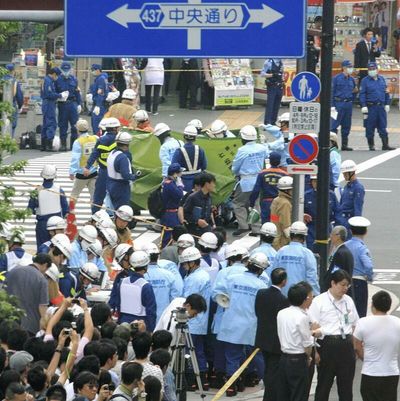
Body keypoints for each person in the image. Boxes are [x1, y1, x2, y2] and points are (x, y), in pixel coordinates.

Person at [214, 253, 269, 396]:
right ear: (260, 270)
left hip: (231, 324)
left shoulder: (232, 279)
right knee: (257, 356)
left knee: (232, 356)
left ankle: (231, 387)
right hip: (251, 326)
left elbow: (216, 295)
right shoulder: (261, 285)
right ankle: (269, 384)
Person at [309, 269, 359, 401]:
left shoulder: (348, 301)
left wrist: (354, 346)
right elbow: (312, 329)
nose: (345, 288)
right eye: (342, 284)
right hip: (327, 345)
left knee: (346, 387)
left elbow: (355, 324)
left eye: (347, 285)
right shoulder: (319, 301)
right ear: (333, 283)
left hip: (346, 346)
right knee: (324, 385)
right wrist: (315, 352)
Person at [353, 290, 400, 401]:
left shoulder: (363, 322)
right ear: (389, 306)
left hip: (371, 371)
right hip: (391, 372)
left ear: (373, 305)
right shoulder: (398, 322)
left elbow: (356, 346)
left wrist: (366, 358)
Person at [276, 282, 314, 401]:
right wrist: (308, 357)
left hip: (283, 358)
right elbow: (307, 343)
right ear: (304, 299)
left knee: (284, 393)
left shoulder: (281, 313)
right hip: (297, 359)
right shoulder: (302, 317)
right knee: (299, 394)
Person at [255, 268, 289, 401]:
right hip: (276, 341)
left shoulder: (261, 293)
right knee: (273, 371)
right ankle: (270, 397)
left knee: (268, 368)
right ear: (284, 281)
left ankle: (268, 396)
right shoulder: (283, 300)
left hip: (262, 337)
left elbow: (257, 312)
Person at [180, 247, 211, 389]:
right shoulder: (201, 275)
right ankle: (202, 379)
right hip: (200, 321)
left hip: (193, 320)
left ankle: (192, 379)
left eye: (186, 263)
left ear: (193, 263)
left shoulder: (194, 278)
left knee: (189, 351)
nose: (184, 265)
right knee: (198, 350)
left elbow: (188, 302)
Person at [232, 125, 268, 236]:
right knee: (256, 204)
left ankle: (243, 226)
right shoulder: (262, 148)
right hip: (259, 180)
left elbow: (235, 167)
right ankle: (256, 228)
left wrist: (236, 173)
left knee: (238, 203)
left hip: (245, 181)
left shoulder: (242, 150)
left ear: (243, 138)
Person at [5, 253, 52, 335]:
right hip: (30, 327)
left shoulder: (13, 270)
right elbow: (42, 307)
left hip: (9, 322)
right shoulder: (41, 279)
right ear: (45, 265)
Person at [109, 251, 156, 330]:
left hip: (123, 323)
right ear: (146, 267)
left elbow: (117, 303)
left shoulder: (122, 282)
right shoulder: (146, 286)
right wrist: (151, 329)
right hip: (141, 325)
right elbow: (151, 311)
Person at [272, 221, 320, 296]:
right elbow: (312, 278)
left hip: (281, 296)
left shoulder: (281, 251)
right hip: (300, 298)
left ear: (290, 235)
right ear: (304, 237)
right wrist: (315, 295)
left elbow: (274, 273)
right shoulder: (307, 254)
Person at [28, 165, 69, 250]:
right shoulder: (59, 190)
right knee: (57, 248)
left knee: (42, 248)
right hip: (57, 224)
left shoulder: (37, 191)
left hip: (42, 224)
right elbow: (65, 209)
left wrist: (36, 211)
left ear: (42, 176)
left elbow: (30, 209)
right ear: (54, 176)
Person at [84, 117, 120, 213]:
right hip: (116, 173)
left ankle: (94, 217)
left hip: (103, 172)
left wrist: (87, 167)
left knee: (98, 196)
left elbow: (94, 154)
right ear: (114, 128)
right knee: (117, 196)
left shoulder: (101, 140)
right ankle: (117, 217)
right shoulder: (119, 140)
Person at [142, 243, 182, 323]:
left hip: (145, 318)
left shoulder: (141, 276)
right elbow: (176, 295)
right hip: (164, 317)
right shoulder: (169, 275)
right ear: (158, 256)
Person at [360, 61, 395, 151]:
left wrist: (387, 103)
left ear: (377, 69)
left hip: (381, 107)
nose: (372, 71)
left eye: (373, 69)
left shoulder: (382, 79)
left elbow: (386, 92)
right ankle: (371, 145)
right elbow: (362, 94)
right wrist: (363, 105)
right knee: (369, 127)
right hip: (371, 107)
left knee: (383, 126)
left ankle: (385, 144)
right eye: (370, 69)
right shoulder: (365, 81)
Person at [345, 216, 373, 318]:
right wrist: (369, 277)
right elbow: (368, 266)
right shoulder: (362, 248)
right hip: (359, 282)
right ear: (365, 232)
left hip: (345, 281)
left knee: (347, 312)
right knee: (360, 312)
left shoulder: (344, 245)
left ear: (351, 231)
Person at [249, 151, 288, 223]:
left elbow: (256, 190)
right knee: (276, 222)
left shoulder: (262, 173)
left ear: (269, 161)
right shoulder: (284, 174)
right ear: (279, 162)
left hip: (266, 203)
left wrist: (251, 203)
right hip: (280, 203)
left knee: (265, 223)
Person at [304, 174, 339, 250]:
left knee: (326, 252)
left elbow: (337, 212)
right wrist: (303, 215)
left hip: (326, 227)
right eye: (314, 181)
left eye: (318, 181)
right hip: (311, 228)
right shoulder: (306, 195)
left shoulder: (330, 195)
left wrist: (337, 228)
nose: (316, 183)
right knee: (311, 252)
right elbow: (299, 211)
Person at [69, 119, 98, 205]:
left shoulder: (78, 142)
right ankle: (95, 214)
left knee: (74, 195)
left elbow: (75, 158)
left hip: (82, 173)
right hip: (93, 172)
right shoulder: (95, 138)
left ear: (78, 130)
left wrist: (72, 172)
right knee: (94, 196)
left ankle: (71, 214)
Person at [107, 131, 138, 210]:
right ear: (127, 145)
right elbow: (126, 175)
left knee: (116, 209)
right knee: (122, 210)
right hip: (121, 187)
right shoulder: (122, 158)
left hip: (111, 183)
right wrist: (135, 176)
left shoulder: (112, 153)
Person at [171, 125, 207, 192]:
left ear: (184, 136)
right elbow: (204, 166)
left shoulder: (179, 151)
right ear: (195, 137)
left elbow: (173, 168)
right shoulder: (200, 150)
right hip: (199, 182)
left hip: (183, 183)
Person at [331, 60, 357, 151]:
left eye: (351, 67)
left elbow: (354, 91)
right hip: (338, 104)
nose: (351, 69)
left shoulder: (352, 79)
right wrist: (332, 106)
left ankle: (345, 145)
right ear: (344, 68)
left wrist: (351, 100)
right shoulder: (336, 78)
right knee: (334, 126)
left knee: (347, 125)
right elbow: (332, 92)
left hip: (348, 104)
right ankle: (333, 145)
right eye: (349, 67)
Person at [55, 62, 81, 151]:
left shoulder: (74, 79)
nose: (66, 72)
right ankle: (63, 145)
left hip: (72, 103)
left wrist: (79, 104)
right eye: (64, 70)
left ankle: (73, 145)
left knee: (75, 126)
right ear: (61, 70)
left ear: (70, 70)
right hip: (62, 105)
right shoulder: (57, 80)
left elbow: (77, 92)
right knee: (63, 125)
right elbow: (55, 93)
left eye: (68, 70)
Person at [160, 163, 185, 247]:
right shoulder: (169, 184)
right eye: (179, 172)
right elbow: (179, 195)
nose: (181, 174)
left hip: (169, 213)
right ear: (175, 174)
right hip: (170, 214)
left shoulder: (166, 182)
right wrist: (180, 185)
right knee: (168, 237)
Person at [41, 67, 65, 152]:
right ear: (54, 74)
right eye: (57, 75)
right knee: (51, 123)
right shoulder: (48, 81)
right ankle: (49, 145)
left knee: (46, 123)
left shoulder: (47, 80)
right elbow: (49, 94)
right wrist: (60, 95)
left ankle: (43, 145)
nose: (57, 77)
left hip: (47, 103)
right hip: (49, 103)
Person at [324, 225, 354, 292]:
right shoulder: (344, 251)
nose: (330, 236)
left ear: (338, 236)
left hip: (338, 291)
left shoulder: (340, 253)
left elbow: (336, 274)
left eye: (332, 234)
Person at [339, 160, 365, 229]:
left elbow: (358, 208)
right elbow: (341, 203)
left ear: (352, 173)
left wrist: (356, 224)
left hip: (350, 220)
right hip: (342, 219)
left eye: (345, 174)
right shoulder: (347, 186)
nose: (344, 176)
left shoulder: (358, 188)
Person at [270, 176, 293, 250]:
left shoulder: (277, 200)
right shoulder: (285, 203)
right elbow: (285, 224)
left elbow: (275, 218)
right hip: (282, 241)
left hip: (275, 237)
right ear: (287, 190)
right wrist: (293, 242)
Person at [261, 59, 284, 125]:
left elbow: (282, 73)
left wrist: (282, 79)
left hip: (279, 86)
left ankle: (273, 121)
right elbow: (262, 74)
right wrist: (273, 75)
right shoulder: (269, 62)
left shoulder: (281, 62)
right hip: (272, 86)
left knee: (277, 105)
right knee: (270, 104)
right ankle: (267, 122)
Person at [3, 64, 24, 138]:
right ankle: (9, 142)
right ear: (13, 71)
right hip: (11, 106)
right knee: (12, 124)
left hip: (1, 106)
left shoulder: (1, 80)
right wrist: (20, 106)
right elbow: (19, 96)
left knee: (2, 124)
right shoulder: (14, 82)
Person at [90, 64, 109, 134]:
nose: (92, 72)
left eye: (93, 70)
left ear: (98, 70)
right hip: (100, 104)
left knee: (97, 126)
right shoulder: (101, 78)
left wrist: (98, 105)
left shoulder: (101, 79)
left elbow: (100, 93)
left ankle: (98, 142)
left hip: (99, 105)